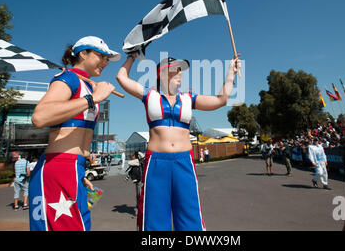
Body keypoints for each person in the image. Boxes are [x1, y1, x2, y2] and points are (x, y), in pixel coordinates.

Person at [117, 54, 240, 231]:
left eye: (181, 70)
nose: (180, 73)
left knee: (190, 214)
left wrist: (230, 73)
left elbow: (221, 100)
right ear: (162, 74)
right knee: (154, 216)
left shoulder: (189, 99)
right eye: (176, 69)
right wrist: (132, 56)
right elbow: (121, 77)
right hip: (156, 161)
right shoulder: (149, 95)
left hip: (184, 161)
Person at [30, 36, 119, 231]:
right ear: (83, 53)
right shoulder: (69, 78)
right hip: (59, 165)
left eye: (107, 59)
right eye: (101, 56)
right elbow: (39, 117)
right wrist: (92, 98)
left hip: (74, 168)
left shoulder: (86, 84)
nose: (105, 62)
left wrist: (80, 172)